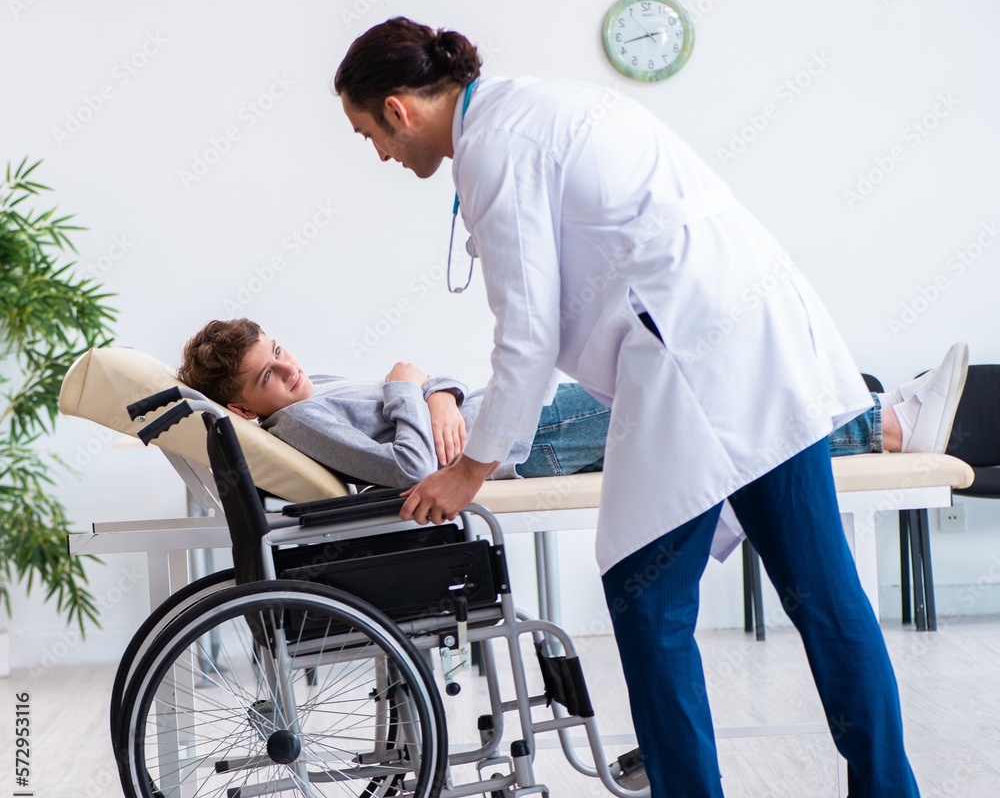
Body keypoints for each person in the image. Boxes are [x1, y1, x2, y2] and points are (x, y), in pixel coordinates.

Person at [331, 17, 949, 798]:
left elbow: (529, 330)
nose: (382, 158)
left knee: (646, 594)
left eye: (370, 138)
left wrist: (472, 467)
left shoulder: (495, 148)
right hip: (763, 332)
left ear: (397, 109)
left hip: (697, 356)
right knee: (825, 592)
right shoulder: (539, 108)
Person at [176, 318, 968, 489]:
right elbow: (410, 465)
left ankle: (881, 422)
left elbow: (419, 398)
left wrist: (433, 384)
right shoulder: (302, 420)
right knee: (695, 390)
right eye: (268, 374)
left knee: (708, 421)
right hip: (531, 440)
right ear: (244, 409)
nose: (291, 367)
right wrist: (407, 379)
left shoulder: (303, 400)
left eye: (281, 349)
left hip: (520, 421)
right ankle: (884, 421)